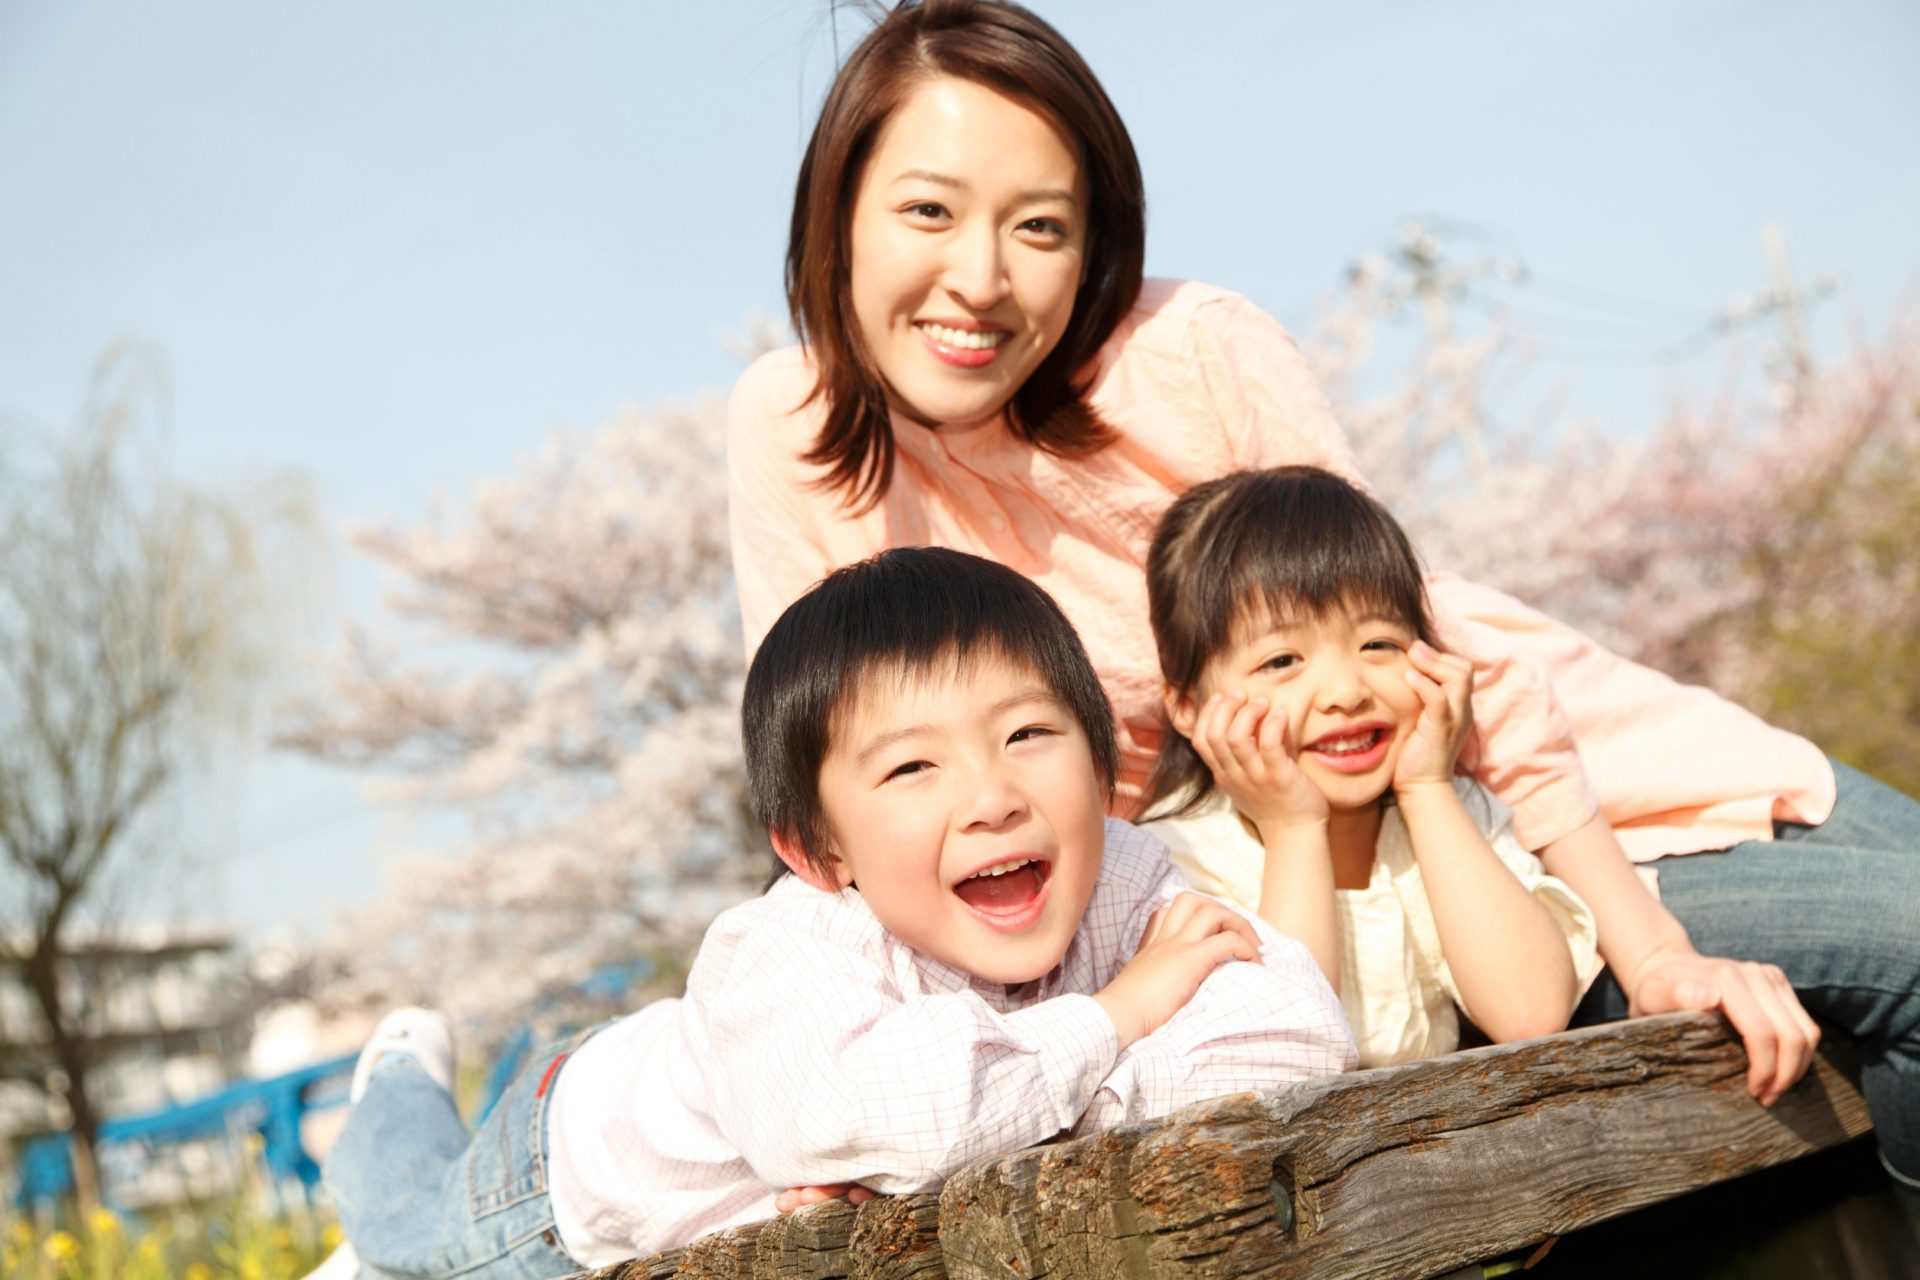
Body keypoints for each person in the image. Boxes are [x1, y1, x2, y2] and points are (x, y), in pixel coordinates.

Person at [726, 0, 1920, 1193]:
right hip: (1392, 899)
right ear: (838, 214)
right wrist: (836, 1113)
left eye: (1040, 226)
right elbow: (823, 804)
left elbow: (1400, 646)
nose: (980, 279)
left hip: (1535, 794)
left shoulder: (1193, 350)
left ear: (1093, 246)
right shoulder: (796, 433)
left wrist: (1650, 945)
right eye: (928, 208)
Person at [309, 547, 1354, 1279]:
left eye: (1030, 733)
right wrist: (1115, 1018)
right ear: (819, 850)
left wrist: (1012, 1113)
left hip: (702, 1101)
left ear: (1101, 762)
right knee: (403, 1223)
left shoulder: (1122, 873)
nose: (993, 794)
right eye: (911, 765)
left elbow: (1298, 1029)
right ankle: (395, 1078)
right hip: (566, 1175)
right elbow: (886, 1117)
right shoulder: (781, 943)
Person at [1136, 466, 1603, 1066]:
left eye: (1377, 644)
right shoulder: (1174, 862)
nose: (1345, 691)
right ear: (1188, 707)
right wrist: (1294, 830)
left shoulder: (1450, 813)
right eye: (1281, 660)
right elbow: (1283, 1057)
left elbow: (1532, 1013)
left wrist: (1429, 788)